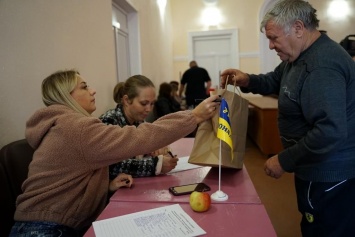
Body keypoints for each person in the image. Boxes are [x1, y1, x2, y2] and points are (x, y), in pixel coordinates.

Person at [10, 69, 220, 236]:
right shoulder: (76, 127)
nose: (93, 91)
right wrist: (193, 116)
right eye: (84, 87)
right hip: (45, 229)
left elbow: (72, 177)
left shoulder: (65, 125)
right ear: (66, 95)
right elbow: (137, 138)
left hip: (46, 224)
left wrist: (106, 185)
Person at [220, 0, 355, 236]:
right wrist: (247, 80)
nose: (271, 46)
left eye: (274, 38)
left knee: (325, 229)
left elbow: (329, 131)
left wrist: (284, 159)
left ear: (298, 28)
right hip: (313, 169)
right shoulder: (298, 56)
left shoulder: (321, 66)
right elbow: (275, 80)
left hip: (329, 176)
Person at [99, 76, 179, 180]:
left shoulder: (138, 121)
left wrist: (155, 147)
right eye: (144, 103)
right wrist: (156, 165)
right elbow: (110, 165)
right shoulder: (109, 122)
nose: (149, 109)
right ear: (127, 100)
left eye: (152, 103)